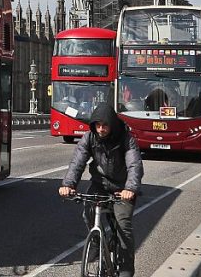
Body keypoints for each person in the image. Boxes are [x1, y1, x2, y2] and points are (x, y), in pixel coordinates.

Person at [59, 103, 144, 277]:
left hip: (122, 188)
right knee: (87, 213)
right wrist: (68, 185)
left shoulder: (126, 139)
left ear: (112, 124)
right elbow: (78, 162)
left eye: (105, 125)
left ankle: (127, 269)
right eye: (98, 125)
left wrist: (130, 188)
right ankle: (97, 241)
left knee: (123, 226)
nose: (101, 129)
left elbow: (134, 165)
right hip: (100, 184)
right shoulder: (89, 138)